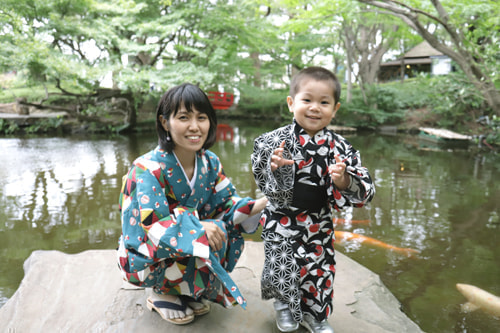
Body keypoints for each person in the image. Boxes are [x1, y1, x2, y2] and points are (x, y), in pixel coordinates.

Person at [117, 83, 267, 325]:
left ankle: (188, 289)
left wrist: (261, 203)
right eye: (184, 117)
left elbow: (225, 204)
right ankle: (161, 292)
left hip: (184, 247)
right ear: (165, 122)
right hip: (147, 252)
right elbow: (153, 227)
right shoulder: (146, 168)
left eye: (202, 117)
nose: (195, 126)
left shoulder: (210, 162)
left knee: (223, 228)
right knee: (200, 232)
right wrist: (197, 228)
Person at [251, 67, 375, 333]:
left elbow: (366, 189)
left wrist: (343, 180)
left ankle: (315, 314)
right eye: (307, 100)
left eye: (324, 102)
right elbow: (262, 181)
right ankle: (284, 307)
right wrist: (275, 169)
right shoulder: (270, 142)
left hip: (318, 220)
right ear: (291, 102)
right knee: (283, 264)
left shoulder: (342, 147)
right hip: (281, 217)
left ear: (335, 108)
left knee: (318, 269)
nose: (314, 108)